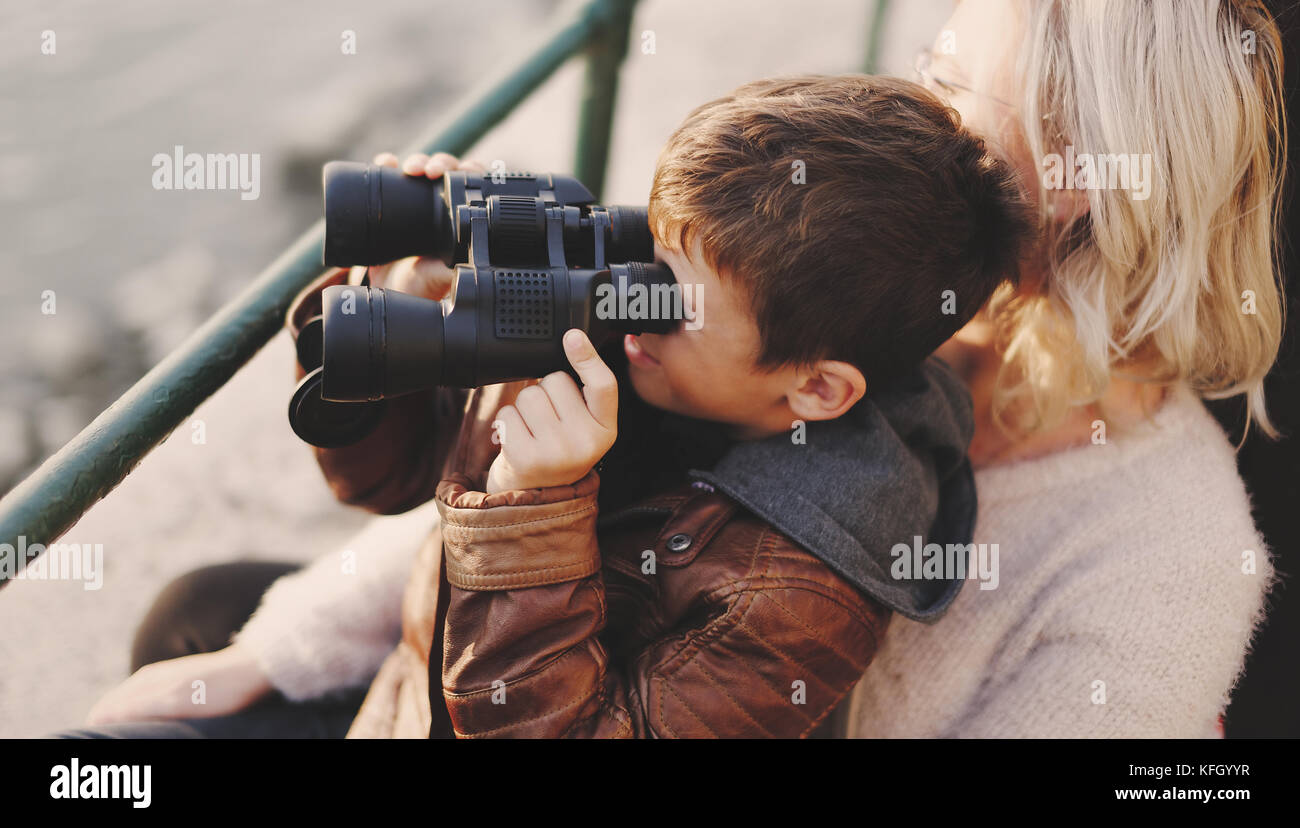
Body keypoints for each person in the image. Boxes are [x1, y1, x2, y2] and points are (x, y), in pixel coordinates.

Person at [64, 74, 1034, 738]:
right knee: (192, 612)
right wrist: (403, 303)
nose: (632, 297)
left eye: (673, 295)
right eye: (647, 247)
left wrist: (536, 510)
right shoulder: (661, 351)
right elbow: (399, 481)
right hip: (428, 665)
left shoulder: (799, 594)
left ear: (816, 387)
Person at [841, 0, 1285, 737]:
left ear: (1079, 171)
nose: (906, 102)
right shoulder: (899, 314)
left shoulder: (1165, 571)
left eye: (948, 82)